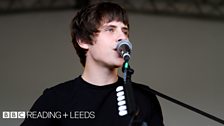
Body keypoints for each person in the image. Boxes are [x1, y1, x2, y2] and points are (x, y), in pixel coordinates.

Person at [21, 2, 164, 126]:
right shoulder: (55, 99)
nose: (122, 37)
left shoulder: (144, 97)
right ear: (83, 41)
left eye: (125, 31)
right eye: (110, 29)